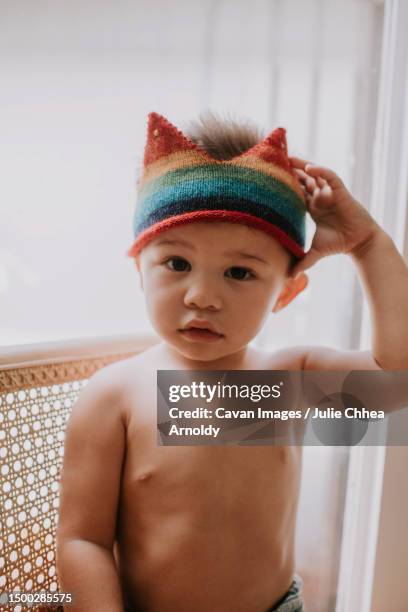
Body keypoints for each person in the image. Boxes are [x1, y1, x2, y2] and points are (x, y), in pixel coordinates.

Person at [56, 111, 408, 611]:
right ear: (140, 269)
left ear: (285, 294)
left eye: (239, 273)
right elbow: (82, 541)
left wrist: (369, 244)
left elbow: (397, 381)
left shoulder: (286, 382)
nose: (202, 296)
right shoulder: (115, 396)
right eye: (177, 264)